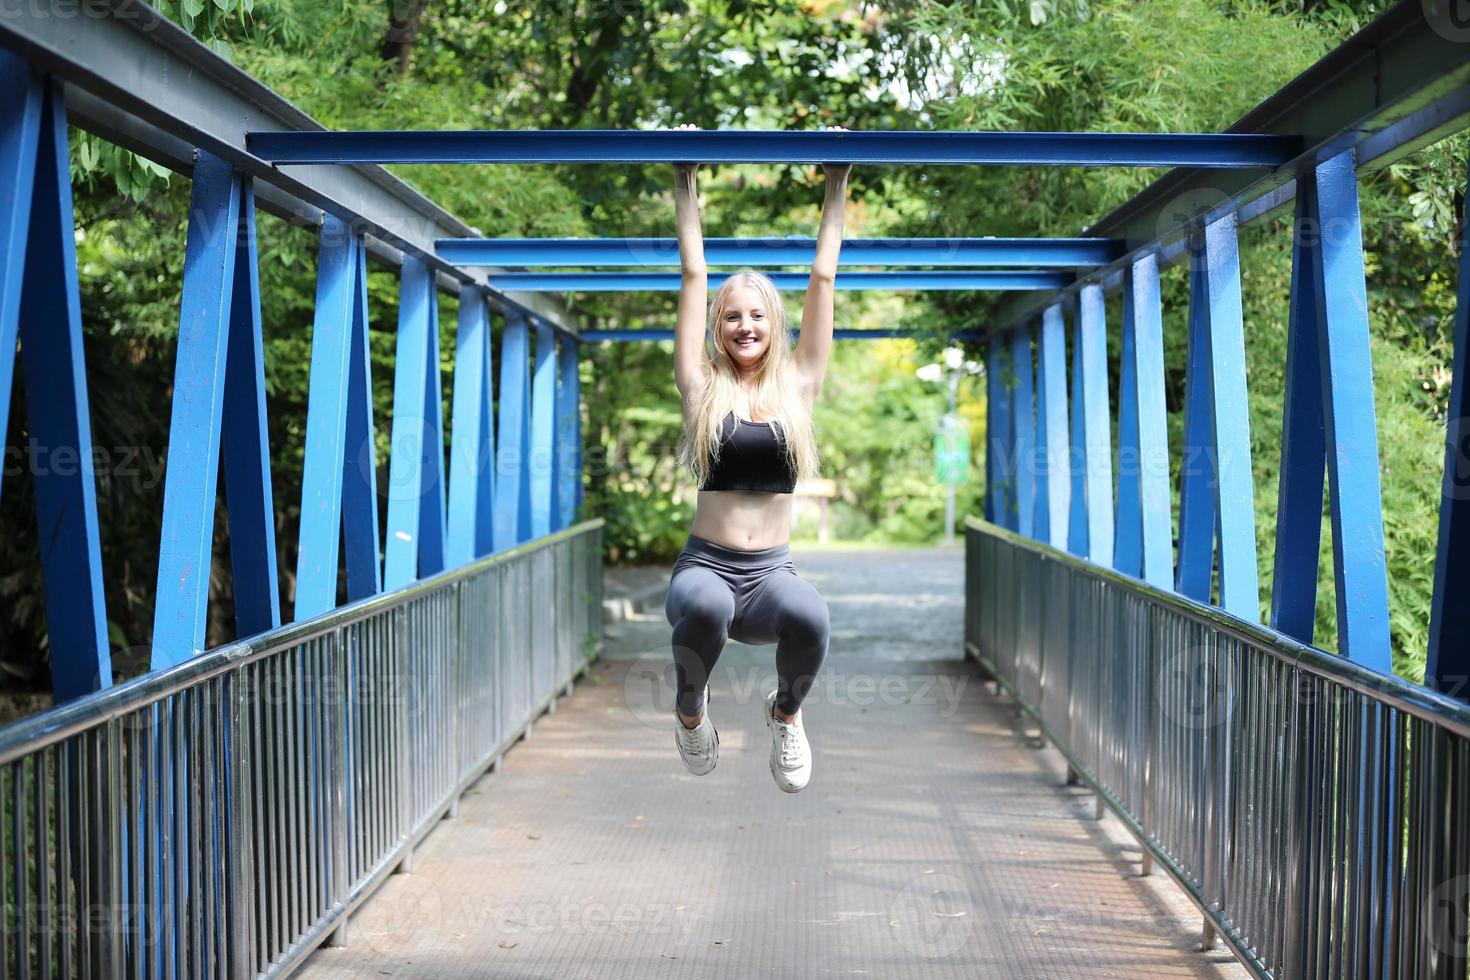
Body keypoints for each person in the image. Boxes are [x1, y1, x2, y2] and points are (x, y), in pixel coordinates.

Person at [664, 125, 849, 793]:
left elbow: (823, 273)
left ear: (776, 324)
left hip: (772, 576)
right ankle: (691, 714)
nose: (745, 326)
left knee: (813, 616)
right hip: (705, 570)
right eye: (732, 317)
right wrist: (683, 176)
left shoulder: (800, 385)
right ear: (718, 327)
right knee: (708, 609)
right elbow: (693, 272)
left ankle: (786, 714)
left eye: (757, 317)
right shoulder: (701, 387)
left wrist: (836, 179)